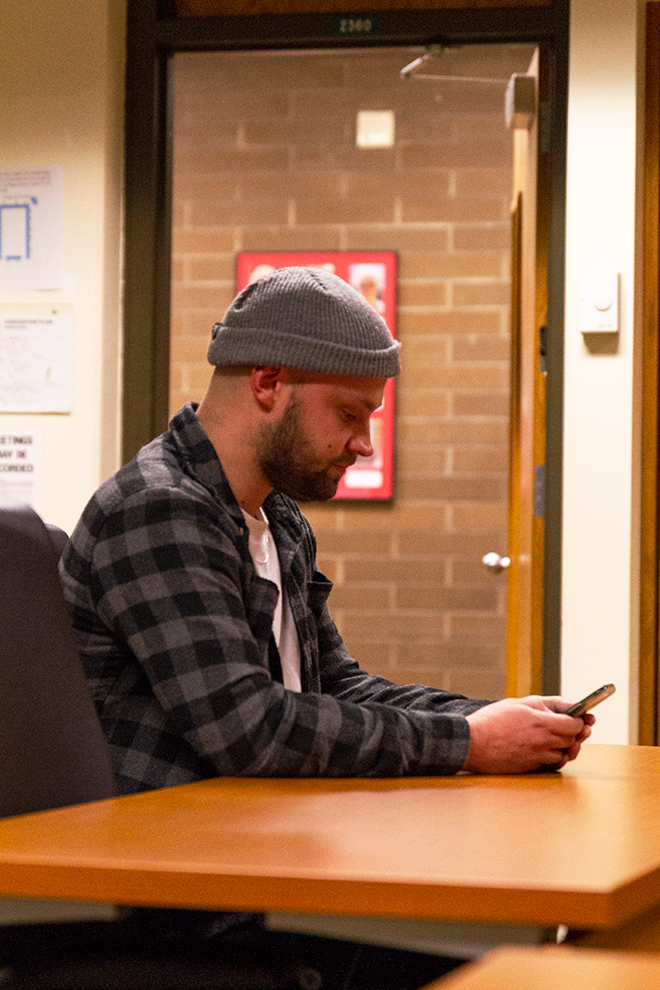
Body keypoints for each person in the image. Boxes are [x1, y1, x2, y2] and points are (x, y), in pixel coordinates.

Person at [60, 266, 593, 990]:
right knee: (485, 958)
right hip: (180, 903)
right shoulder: (157, 511)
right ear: (268, 382)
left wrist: (486, 718)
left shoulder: (276, 519)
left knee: (518, 937)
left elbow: (337, 685)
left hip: (258, 859)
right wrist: (470, 744)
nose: (364, 443)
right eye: (349, 414)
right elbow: (250, 728)